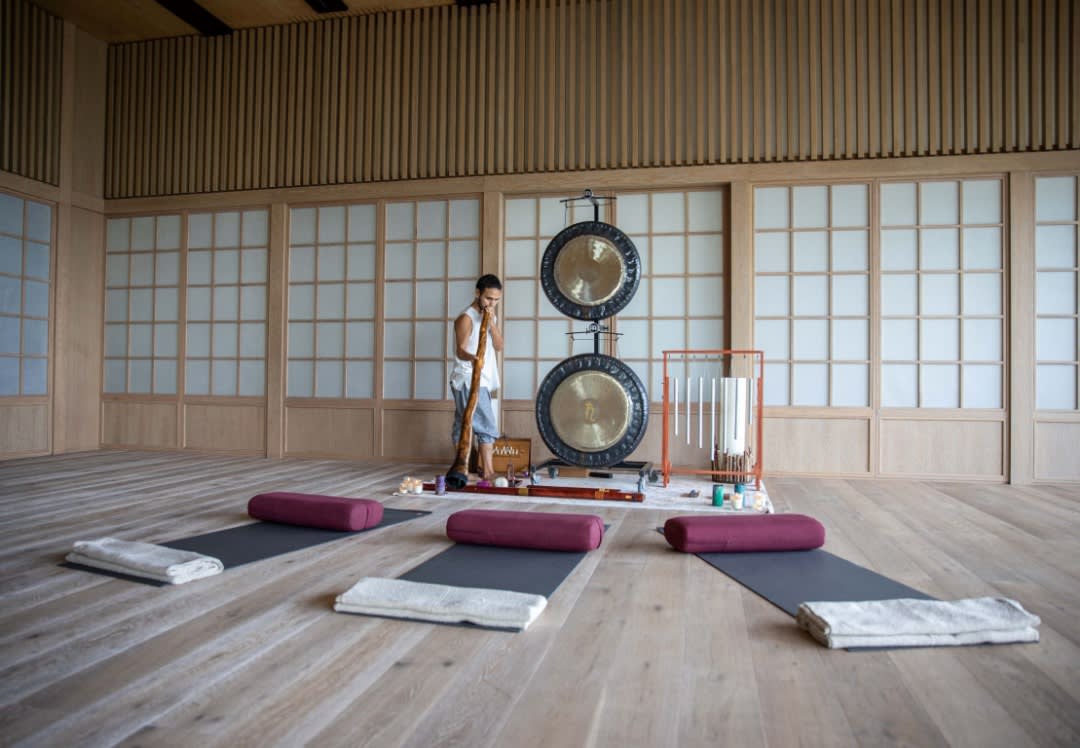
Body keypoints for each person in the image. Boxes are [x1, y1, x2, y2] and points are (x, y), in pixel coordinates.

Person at [450, 274, 504, 480]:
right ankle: (488, 471)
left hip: (482, 378)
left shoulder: (490, 316)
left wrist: (490, 322)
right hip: (468, 378)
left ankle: (463, 469)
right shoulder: (466, 318)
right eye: (488, 298)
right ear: (477, 293)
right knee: (485, 424)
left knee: (462, 423)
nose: (492, 303)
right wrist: (474, 359)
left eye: (496, 299)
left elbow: (499, 345)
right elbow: (460, 350)